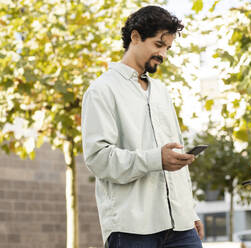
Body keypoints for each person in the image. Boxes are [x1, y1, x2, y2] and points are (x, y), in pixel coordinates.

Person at [81, 5, 204, 248]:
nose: (164, 55)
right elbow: (98, 159)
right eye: (158, 45)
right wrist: (156, 159)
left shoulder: (161, 92)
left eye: (167, 48)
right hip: (132, 229)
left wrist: (190, 211)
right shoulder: (102, 90)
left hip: (180, 226)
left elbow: (175, 155)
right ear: (135, 37)